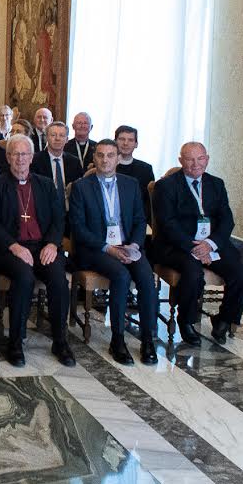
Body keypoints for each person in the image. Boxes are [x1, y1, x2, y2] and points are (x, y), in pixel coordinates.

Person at [0, 134, 74, 368]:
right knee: (24, 276)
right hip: (8, 249)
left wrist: (52, 244)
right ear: (8, 157)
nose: (20, 159)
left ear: (32, 157)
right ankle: (15, 342)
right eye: (15, 154)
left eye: (24, 154)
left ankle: (60, 341)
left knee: (58, 278)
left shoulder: (45, 184)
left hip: (43, 246)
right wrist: (13, 246)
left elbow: (58, 219)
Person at [151, 142, 243, 346]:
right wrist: (194, 248)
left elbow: (227, 220)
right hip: (177, 245)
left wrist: (210, 244)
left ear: (207, 159)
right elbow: (168, 224)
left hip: (211, 244)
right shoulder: (166, 186)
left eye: (200, 158)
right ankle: (186, 321)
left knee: (242, 274)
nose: (196, 164)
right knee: (193, 272)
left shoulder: (216, 184)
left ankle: (224, 319)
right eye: (190, 159)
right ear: (181, 161)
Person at [68, 140, 158, 365]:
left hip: (127, 246)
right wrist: (108, 248)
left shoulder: (131, 184)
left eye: (110, 155)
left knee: (146, 277)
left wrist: (134, 245)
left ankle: (148, 339)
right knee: (121, 275)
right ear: (94, 158)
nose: (105, 160)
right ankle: (117, 339)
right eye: (100, 155)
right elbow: (78, 228)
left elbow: (140, 220)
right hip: (95, 249)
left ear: (118, 158)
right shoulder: (81, 187)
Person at [31, 121, 83, 211]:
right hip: (44, 208)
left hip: (69, 209)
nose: (57, 139)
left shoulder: (74, 162)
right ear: (46, 138)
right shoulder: (35, 160)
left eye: (62, 135)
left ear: (67, 139)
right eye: (53, 135)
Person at [114, 125, 155, 225]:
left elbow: (148, 202)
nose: (125, 143)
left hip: (136, 221)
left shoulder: (146, 169)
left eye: (130, 140)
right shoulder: (106, 166)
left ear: (136, 144)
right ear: (115, 142)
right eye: (122, 139)